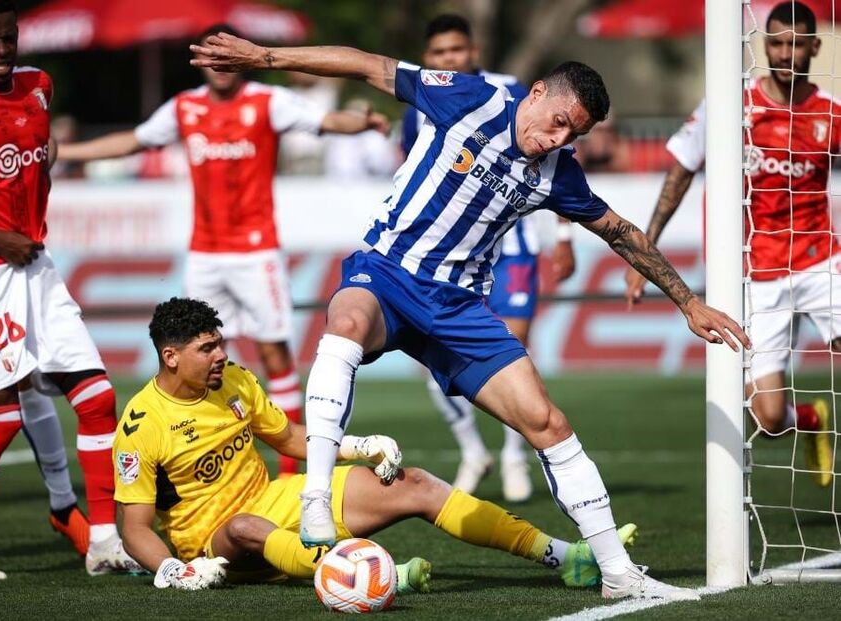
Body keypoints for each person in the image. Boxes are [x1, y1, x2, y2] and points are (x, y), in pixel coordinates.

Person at [191, 31, 751, 602]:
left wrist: (688, 301)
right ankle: (314, 499)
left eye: (574, 134)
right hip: (386, 273)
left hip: (457, 307)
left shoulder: (558, 172)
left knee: (548, 423)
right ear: (534, 93)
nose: (557, 138)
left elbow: (620, 232)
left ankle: (616, 572)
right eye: (558, 121)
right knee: (347, 326)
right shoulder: (468, 98)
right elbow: (368, 65)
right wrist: (264, 59)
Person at [113, 297, 637, 591]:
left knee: (417, 484)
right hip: (214, 544)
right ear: (171, 356)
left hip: (275, 500)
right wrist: (171, 568)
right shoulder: (142, 424)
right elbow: (132, 527)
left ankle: (566, 556)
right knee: (248, 527)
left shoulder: (235, 382)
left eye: (221, 343)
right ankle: (371, 578)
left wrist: (359, 445)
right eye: (207, 349)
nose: (221, 355)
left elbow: (293, 437)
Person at [57, 24, 391, 479]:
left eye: (225, 54)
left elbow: (328, 122)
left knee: (274, 355)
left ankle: (293, 474)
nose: (218, 64)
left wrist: (364, 123)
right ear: (200, 61)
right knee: (203, 357)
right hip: (205, 257)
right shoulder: (184, 108)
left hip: (257, 253)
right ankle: (218, 456)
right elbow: (133, 140)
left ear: (239, 57)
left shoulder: (266, 101)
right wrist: (64, 151)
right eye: (209, 55)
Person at [0, 0, 140, 580]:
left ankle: (105, 541)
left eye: (9, 39)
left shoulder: (39, 85)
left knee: (97, 398)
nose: (2, 51)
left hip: (35, 265)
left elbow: (38, 150)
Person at [624, 1, 834, 487]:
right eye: (777, 42)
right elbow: (679, 173)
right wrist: (642, 254)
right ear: (764, 45)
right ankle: (811, 419)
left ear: (814, 47)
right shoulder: (728, 107)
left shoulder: (829, 113)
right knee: (767, 417)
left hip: (821, 258)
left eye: (797, 44)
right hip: (757, 272)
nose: (785, 53)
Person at [401, 13, 577, 502]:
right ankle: (473, 450)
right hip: (450, 257)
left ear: (472, 52)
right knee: (433, 360)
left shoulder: (513, 92)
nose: (448, 60)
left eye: (455, 51)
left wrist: (561, 236)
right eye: (438, 55)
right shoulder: (423, 101)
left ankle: (515, 456)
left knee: (512, 353)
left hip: (513, 246)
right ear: (429, 59)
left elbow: (554, 164)